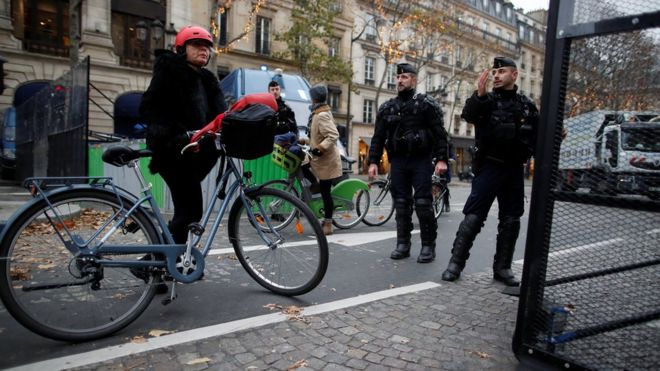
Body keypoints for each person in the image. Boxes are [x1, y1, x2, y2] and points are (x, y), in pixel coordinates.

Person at [440, 57, 539, 286]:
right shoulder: (486, 100)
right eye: (494, 72)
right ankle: (456, 263)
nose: (496, 75)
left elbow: (538, 135)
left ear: (514, 75)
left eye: (501, 71)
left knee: (511, 219)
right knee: (473, 217)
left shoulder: (526, 105)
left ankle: (502, 268)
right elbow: (469, 114)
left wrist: (556, 135)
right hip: (489, 167)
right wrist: (480, 93)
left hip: (514, 169)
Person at [139, 25, 227, 245]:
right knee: (190, 212)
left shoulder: (208, 79)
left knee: (187, 212)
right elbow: (149, 108)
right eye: (197, 45)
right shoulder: (170, 70)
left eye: (207, 46)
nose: (204, 50)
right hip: (172, 151)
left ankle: (170, 260)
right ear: (181, 48)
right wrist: (179, 133)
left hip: (193, 154)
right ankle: (156, 259)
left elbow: (221, 115)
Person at [368, 62, 449, 263]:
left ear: (413, 79)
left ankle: (428, 246)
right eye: (398, 77)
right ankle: (403, 244)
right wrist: (373, 161)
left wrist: (442, 159)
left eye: (404, 77)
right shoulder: (388, 107)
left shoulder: (426, 105)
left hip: (421, 160)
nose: (400, 80)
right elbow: (378, 137)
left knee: (423, 204)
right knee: (402, 204)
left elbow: (440, 134)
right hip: (399, 162)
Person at [307, 85, 342, 235]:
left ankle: (328, 224)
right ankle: (315, 184)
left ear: (314, 98)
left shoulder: (321, 115)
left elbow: (333, 135)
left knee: (326, 193)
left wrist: (320, 148)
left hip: (326, 161)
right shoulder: (317, 113)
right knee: (302, 163)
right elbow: (318, 135)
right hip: (320, 158)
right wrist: (305, 141)